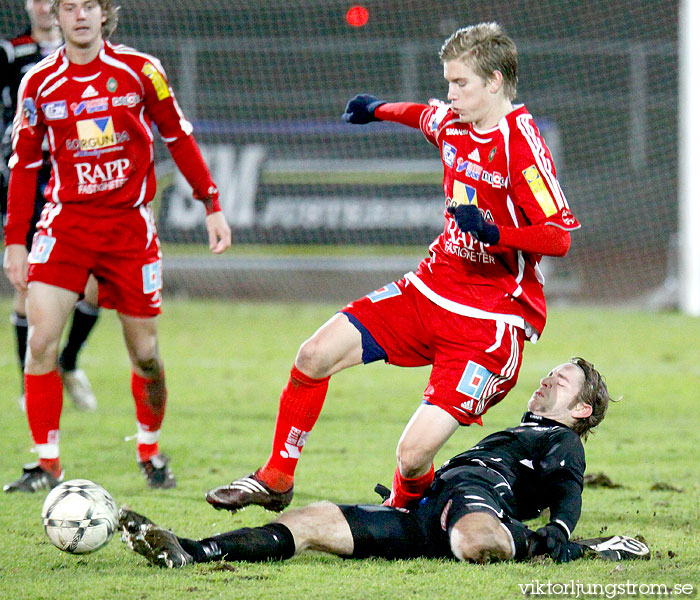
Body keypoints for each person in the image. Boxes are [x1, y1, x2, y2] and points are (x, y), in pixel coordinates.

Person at [205, 22, 580, 513]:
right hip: (430, 287)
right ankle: (276, 477)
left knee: (412, 455)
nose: (450, 94)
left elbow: (558, 236)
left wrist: (496, 234)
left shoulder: (521, 145)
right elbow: (422, 114)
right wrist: (376, 109)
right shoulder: (452, 122)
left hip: (490, 322)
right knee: (313, 355)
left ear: (494, 82)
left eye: (460, 83)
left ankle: (406, 516)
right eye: (448, 82)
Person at [2, 0, 231, 493]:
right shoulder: (37, 83)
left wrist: (210, 202)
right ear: (57, 17)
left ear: (106, 14)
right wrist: (15, 241)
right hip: (65, 227)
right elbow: (23, 165)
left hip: (129, 231)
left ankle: (149, 451)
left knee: (145, 354)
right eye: (70, 7)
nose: (80, 15)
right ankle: (47, 464)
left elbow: (177, 134)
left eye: (91, 5)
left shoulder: (140, 71)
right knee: (41, 343)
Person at [121, 358, 649, 568]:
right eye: (549, 374)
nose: (546, 380)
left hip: (474, 500)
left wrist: (561, 529)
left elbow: (568, 486)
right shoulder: (520, 431)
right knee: (311, 520)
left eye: (560, 381)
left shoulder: (562, 441)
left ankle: (590, 551)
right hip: (425, 508)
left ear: (581, 409)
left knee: (473, 539)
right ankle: (191, 551)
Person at [1, 0, 100, 413]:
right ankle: (32, 384)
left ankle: (69, 361)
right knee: (27, 284)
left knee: (97, 285)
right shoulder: (11, 54)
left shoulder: (86, 56)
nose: (44, 7)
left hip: (78, 183)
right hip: (30, 180)